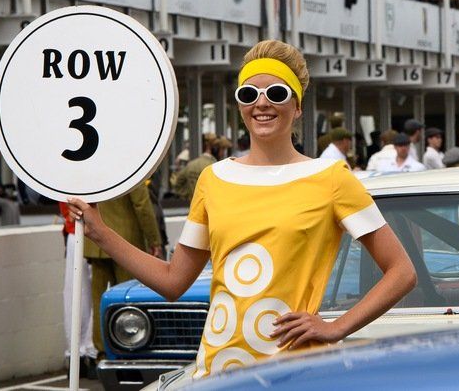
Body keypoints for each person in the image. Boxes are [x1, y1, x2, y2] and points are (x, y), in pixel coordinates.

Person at [69, 40, 416, 378]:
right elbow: (174, 281)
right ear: (239, 106)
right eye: (248, 94)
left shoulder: (331, 179)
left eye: (276, 93)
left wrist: (336, 327)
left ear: (297, 106)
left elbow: (401, 271)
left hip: (294, 372)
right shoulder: (213, 179)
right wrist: (100, 231)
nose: (261, 104)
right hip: (218, 371)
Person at [83, 181, 163, 355]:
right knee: (128, 300)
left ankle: (102, 352)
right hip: (125, 241)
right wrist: (154, 239)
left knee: (98, 300)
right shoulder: (129, 167)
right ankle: (129, 347)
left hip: (96, 243)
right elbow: (141, 204)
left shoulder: (95, 166)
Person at [59, 202, 97, 376]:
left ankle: (82, 352)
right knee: (82, 295)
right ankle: (84, 352)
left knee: (81, 295)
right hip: (83, 230)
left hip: (83, 230)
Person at [172, 134, 229, 201]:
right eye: (222, 149)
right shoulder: (217, 167)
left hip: (194, 207)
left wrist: (190, 195)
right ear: (215, 148)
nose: (223, 153)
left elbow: (176, 183)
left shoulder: (191, 165)